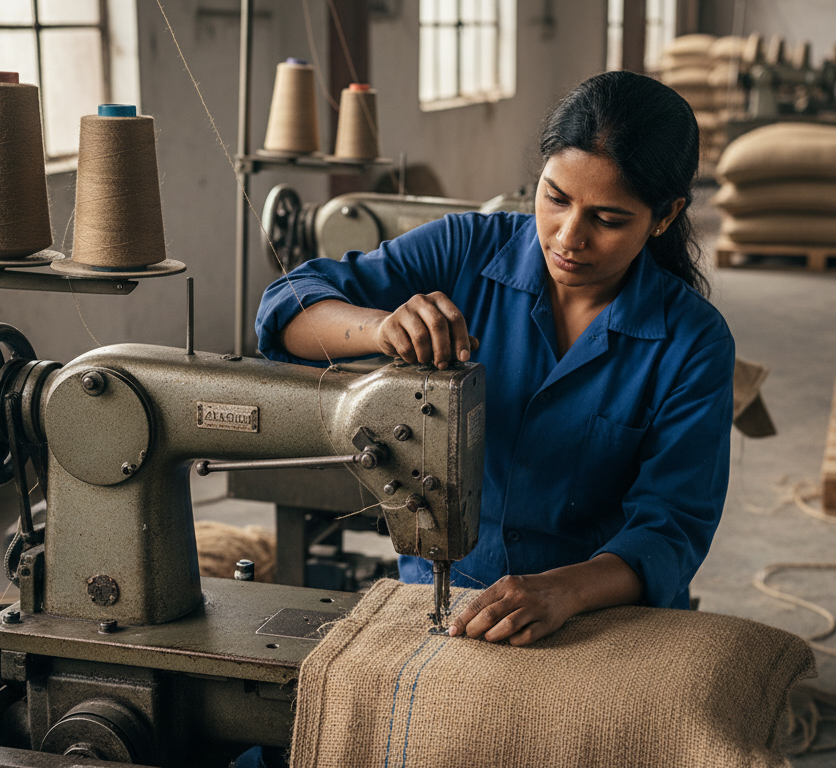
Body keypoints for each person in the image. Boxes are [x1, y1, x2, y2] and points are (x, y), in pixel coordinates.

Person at [255, 70, 734, 648]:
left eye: (608, 220)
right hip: (445, 593)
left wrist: (564, 590)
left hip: (602, 618)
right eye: (555, 198)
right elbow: (288, 307)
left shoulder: (692, 342)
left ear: (663, 216)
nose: (568, 236)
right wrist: (381, 327)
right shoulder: (463, 250)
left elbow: (673, 527)